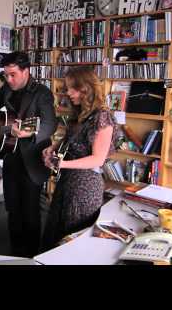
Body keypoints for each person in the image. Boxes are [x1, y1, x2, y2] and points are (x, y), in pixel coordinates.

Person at [0, 51, 57, 257]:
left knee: (31, 211)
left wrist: (31, 131)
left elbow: (50, 123)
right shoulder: (7, 88)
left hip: (32, 159)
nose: (8, 79)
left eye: (13, 74)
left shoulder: (42, 93)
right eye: (6, 75)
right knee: (12, 208)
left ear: (26, 71)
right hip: (10, 156)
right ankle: (14, 252)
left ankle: (32, 255)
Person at [40, 66, 116, 252]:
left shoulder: (102, 117)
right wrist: (53, 148)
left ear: (86, 88)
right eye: (66, 88)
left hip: (85, 185)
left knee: (72, 236)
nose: (68, 93)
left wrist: (62, 163)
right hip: (68, 180)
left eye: (72, 89)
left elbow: (97, 159)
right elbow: (70, 142)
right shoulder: (79, 114)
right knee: (58, 230)